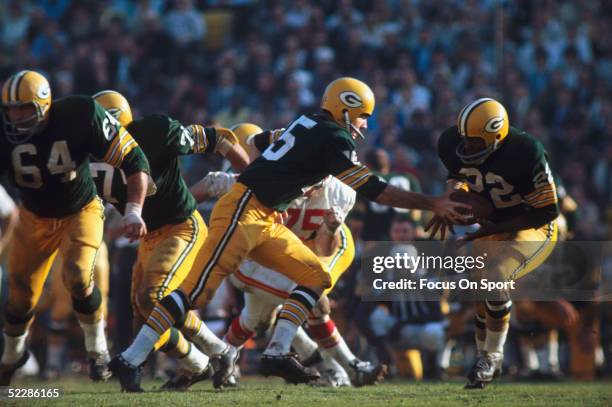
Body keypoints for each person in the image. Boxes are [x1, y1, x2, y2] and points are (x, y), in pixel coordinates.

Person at [111, 76, 468, 390]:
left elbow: (264, 142)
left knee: (315, 277)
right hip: (244, 210)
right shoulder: (332, 136)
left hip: (266, 216)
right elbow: (377, 190)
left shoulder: (310, 121)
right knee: (193, 294)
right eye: (362, 115)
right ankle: (129, 359)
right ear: (345, 108)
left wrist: (280, 178)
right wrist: (432, 202)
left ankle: (278, 352)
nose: (363, 123)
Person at [0, 70, 151, 385]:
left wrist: (134, 211)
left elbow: (134, 159)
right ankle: (13, 355)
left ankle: (98, 351)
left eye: (24, 108)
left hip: (79, 209)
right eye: (11, 109)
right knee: (20, 296)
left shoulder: (79, 114)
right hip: (33, 215)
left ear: (44, 105)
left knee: (79, 276)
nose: (16, 116)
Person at [93, 90, 250, 391]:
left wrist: (251, 181)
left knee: (154, 298)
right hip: (147, 237)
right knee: (145, 309)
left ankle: (142, 360)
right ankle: (204, 361)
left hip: (181, 227)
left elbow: (217, 139)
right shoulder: (84, 154)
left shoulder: (156, 132)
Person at [428, 97, 559, 388]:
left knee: (496, 278)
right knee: (479, 294)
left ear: (496, 136)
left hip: (531, 226)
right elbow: (458, 177)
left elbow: (547, 210)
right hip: (491, 227)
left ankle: (493, 357)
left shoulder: (527, 151)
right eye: (465, 139)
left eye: (476, 142)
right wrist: (452, 199)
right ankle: (483, 360)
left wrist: (491, 226)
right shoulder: (451, 141)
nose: (467, 147)